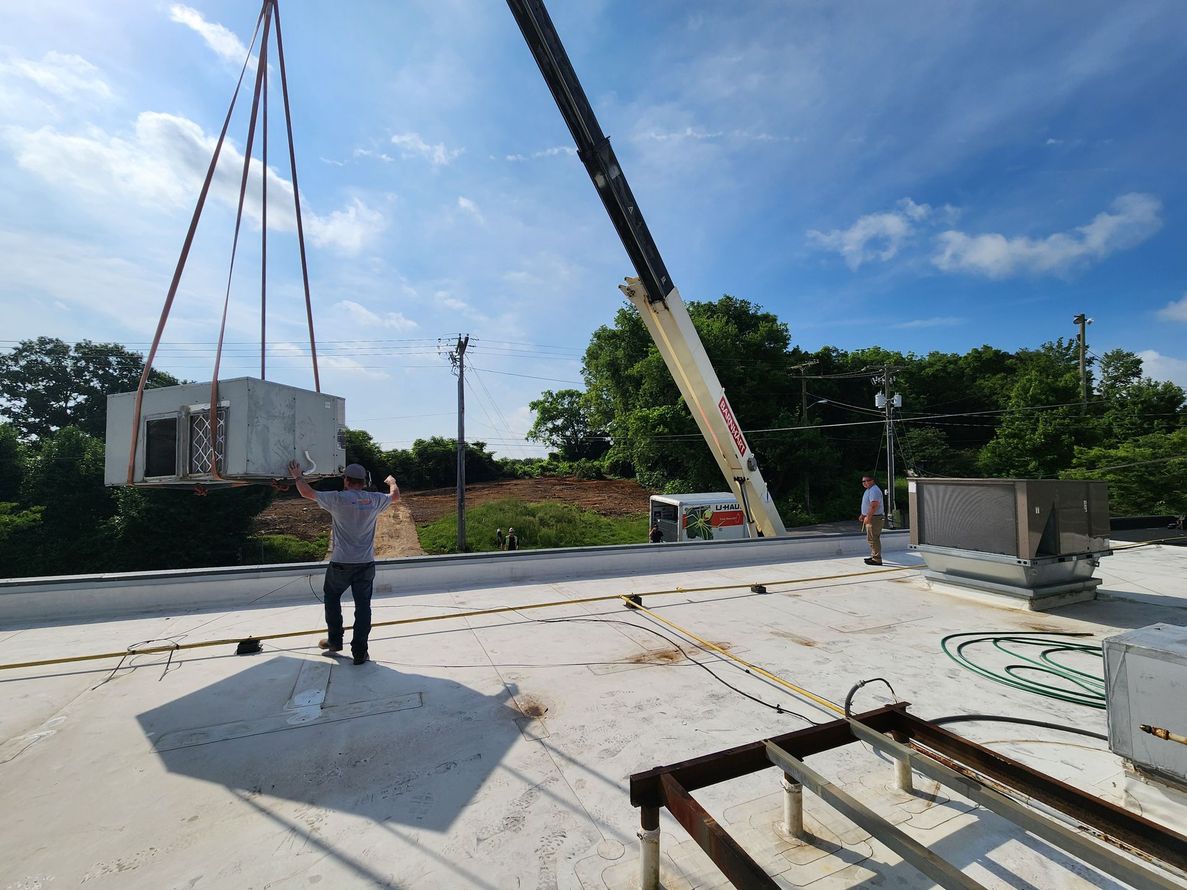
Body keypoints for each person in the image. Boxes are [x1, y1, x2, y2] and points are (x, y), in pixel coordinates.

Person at [288, 460, 399, 665]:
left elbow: (307, 492)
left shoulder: (337, 499)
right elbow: (395, 496)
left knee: (332, 598)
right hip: (366, 563)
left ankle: (334, 641)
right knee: (363, 606)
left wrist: (297, 476)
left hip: (341, 563)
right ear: (364, 482)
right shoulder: (374, 499)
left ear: (346, 480)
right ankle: (360, 652)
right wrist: (391, 481)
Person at [858, 473, 885, 566]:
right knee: (871, 538)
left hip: (875, 518)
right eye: (863, 481)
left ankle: (877, 559)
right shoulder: (869, 490)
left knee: (874, 538)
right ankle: (874, 556)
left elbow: (874, 505)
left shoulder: (874, 491)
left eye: (867, 481)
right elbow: (868, 504)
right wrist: (863, 514)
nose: (865, 483)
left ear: (872, 481)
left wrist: (868, 517)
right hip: (872, 517)